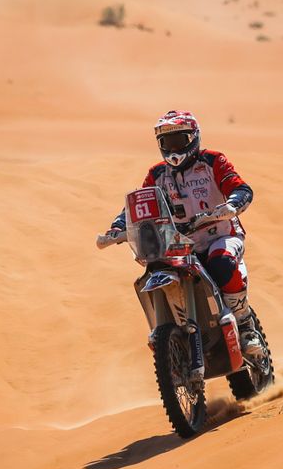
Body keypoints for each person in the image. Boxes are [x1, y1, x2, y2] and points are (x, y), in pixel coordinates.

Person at [102, 109, 265, 355]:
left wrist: (231, 205)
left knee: (221, 263)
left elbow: (240, 187)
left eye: (179, 140)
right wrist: (118, 226)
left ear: (193, 138)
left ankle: (245, 326)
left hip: (220, 234)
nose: (173, 148)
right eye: (167, 142)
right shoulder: (157, 174)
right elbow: (139, 205)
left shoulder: (212, 161)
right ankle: (175, 336)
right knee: (157, 270)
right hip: (181, 244)